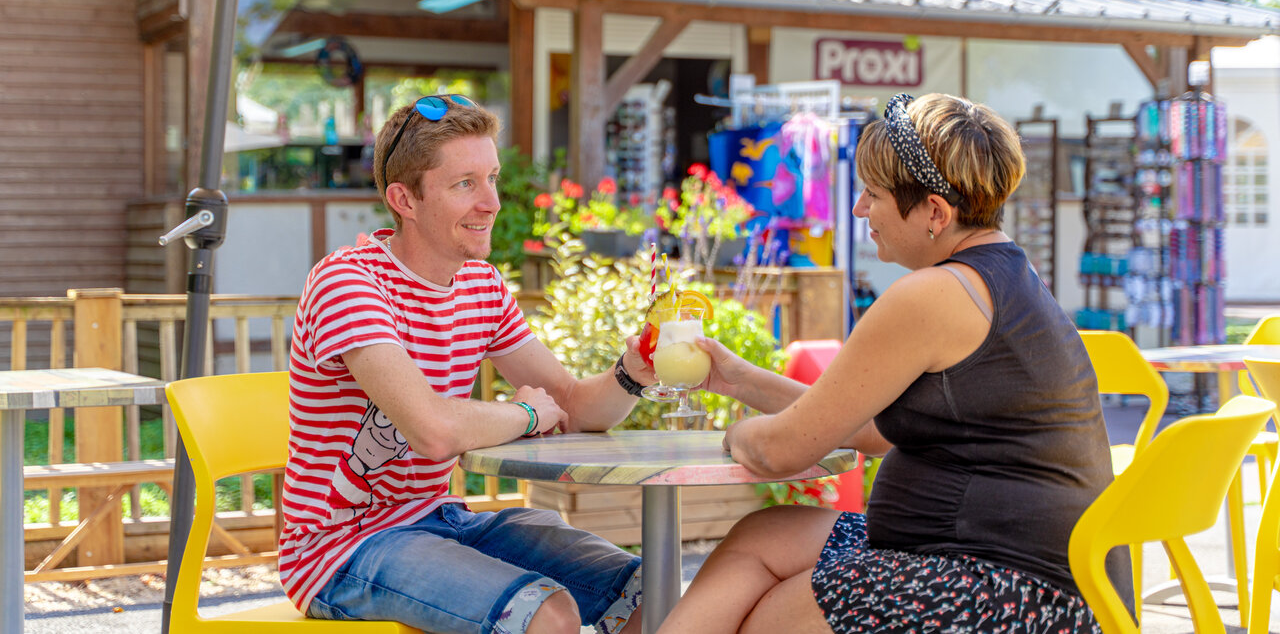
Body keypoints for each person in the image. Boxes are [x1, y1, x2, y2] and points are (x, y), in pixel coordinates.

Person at [657, 93, 1128, 634]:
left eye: (873, 194)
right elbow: (869, 427)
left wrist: (737, 436)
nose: (860, 209)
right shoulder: (1003, 274)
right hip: (1032, 576)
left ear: (935, 211)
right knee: (762, 536)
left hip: (1011, 593)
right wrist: (736, 378)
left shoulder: (933, 294)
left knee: (769, 616)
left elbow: (778, 452)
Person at [278, 95, 653, 634]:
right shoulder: (349, 282)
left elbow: (570, 405)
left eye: (492, 178)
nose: (492, 202)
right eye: (464, 184)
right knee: (547, 614)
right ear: (404, 199)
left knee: (651, 592)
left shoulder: (481, 285)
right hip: (342, 548)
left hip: (443, 519)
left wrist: (630, 372)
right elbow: (431, 430)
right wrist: (523, 414)